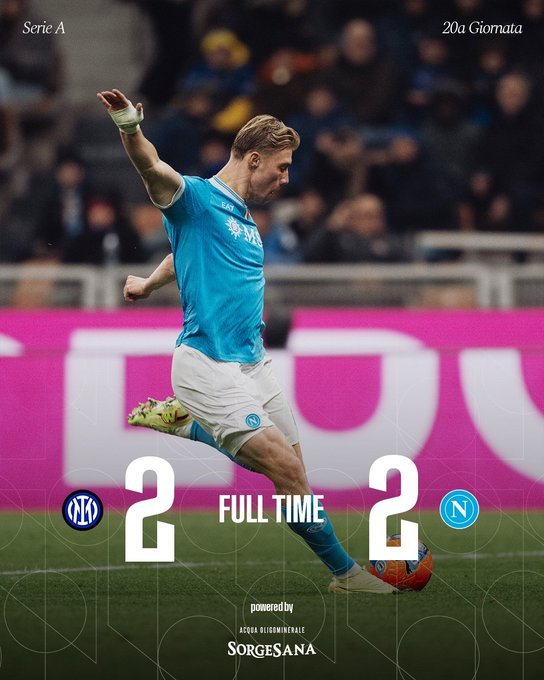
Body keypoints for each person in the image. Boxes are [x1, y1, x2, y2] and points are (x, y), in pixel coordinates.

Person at [96, 87, 395, 595]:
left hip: (254, 365)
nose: (286, 179)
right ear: (253, 159)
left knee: (294, 474)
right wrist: (129, 126)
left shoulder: (240, 217)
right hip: (207, 363)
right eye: (281, 168)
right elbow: (152, 167)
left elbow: (182, 253)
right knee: (284, 467)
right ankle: (347, 576)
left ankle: (193, 426)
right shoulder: (193, 197)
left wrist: (148, 283)